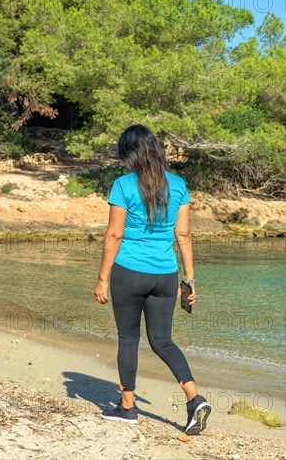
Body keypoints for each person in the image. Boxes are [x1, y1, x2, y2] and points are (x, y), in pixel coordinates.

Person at [94, 124, 211, 434]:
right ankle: (194, 398)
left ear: (130, 154)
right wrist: (190, 279)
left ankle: (128, 408)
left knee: (129, 339)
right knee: (162, 341)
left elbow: (115, 234)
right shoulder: (178, 185)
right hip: (165, 275)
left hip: (129, 274)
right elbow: (183, 235)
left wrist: (102, 278)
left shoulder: (123, 185)